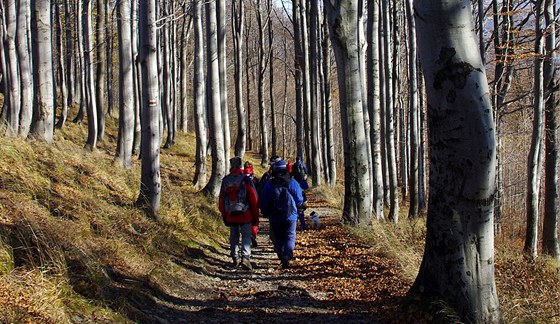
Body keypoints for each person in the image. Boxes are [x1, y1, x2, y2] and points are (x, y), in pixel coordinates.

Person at [259, 159, 305, 269]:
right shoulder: (292, 182)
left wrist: (265, 211)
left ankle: (281, 254)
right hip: (291, 215)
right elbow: (299, 199)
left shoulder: (270, 183)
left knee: (277, 236)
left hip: (275, 215)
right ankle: (287, 255)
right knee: (290, 235)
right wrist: (298, 208)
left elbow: (264, 199)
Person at [219, 157, 259, 270]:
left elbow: (221, 199)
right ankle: (245, 258)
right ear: (241, 165)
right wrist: (255, 216)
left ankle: (235, 257)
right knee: (246, 235)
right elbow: (253, 198)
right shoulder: (246, 179)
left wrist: (224, 213)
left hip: (231, 214)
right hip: (245, 214)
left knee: (234, 236)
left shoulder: (226, 180)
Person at [243, 161, 260, 248]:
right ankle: (252, 235)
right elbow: (259, 190)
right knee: (254, 220)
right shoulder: (254, 179)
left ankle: (245, 236)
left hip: (242, 203)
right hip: (253, 201)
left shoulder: (241, 178)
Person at [291, 156, 309, 230]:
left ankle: (294, 226)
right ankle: (303, 226)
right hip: (302, 194)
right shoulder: (303, 165)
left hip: (294, 194)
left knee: (295, 209)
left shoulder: (293, 181)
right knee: (301, 210)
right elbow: (306, 187)